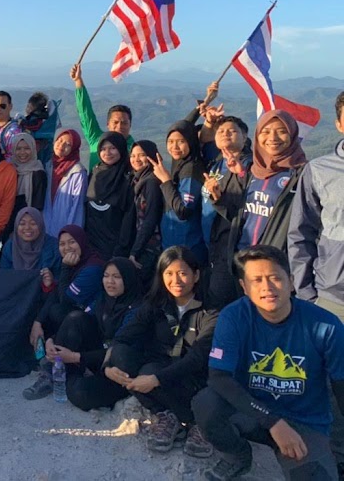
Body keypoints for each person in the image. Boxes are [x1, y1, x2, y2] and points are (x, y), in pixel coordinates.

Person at [193, 245, 344, 481]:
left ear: (291, 282)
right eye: (257, 280)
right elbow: (218, 377)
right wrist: (273, 421)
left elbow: (341, 386)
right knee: (206, 404)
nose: (267, 287)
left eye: (275, 278)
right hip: (251, 410)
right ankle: (237, 457)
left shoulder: (326, 325)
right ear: (244, 287)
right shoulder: (233, 317)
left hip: (303, 422)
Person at [105, 246, 217, 458]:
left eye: (182, 273)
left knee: (207, 392)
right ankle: (166, 416)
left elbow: (198, 358)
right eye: (169, 273)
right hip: (164, 371)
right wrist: (108, 366)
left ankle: (198, 422)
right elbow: (123, 337)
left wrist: (156, 379)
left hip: (197, 378)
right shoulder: (156, 304)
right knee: (121, 356)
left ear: (196, 275)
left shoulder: (211, 311)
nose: (176, 280)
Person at [288, 91, 344, 473]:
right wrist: (307, 293)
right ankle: (337, 457)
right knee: (331, 387)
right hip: (330, 299)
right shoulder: (320, 170)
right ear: (339, 123)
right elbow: (300, 235)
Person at [45, 257, 142, 411]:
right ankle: (59, 372)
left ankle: (66, 377)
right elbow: (82, 321)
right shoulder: (103, 298)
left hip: (120, 369)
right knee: (75, 318)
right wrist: (52, 340)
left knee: (80, 392)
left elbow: (119, 350)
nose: (110, 281)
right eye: (106, 276)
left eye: (116, 277)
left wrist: (75, 357)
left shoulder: (138, 310)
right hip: (99, 359)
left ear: (128, 279)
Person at [23, 224, 104, 400]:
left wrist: (65, 268)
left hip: (99, 332)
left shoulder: (93, 267)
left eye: (72, 242)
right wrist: (38, 322)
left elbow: (66, 300)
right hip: (80, 324)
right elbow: (57, 295)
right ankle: (49, 361)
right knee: (54, 310)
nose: (67, 248)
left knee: (71, 316)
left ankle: (51, 373)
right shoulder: (76, 264)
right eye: (62, 244)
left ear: (82, 242)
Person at [219, 110, 306, 269]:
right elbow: (236, 213)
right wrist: (220, 195)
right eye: (265, 132)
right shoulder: (252, 171)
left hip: (276, 264)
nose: (272, 138)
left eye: (281, 131)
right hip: (243, 259)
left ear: (293, 135)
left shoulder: (301, 174)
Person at [201, 115, 252, 309]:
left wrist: (240, 174)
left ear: (244, 137)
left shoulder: (251, 165)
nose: (225, 134)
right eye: (221, 131)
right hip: (212, 246)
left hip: (234, 247)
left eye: (232, 131)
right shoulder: (216, 164)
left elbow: (244, 207)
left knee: (225, 304)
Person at [150, 120, 208, 265]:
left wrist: (165, 180)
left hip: (186, 247)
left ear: (190, 142)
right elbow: (184, 126)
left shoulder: (191, 169)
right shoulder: (181, 162)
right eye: (170, 141)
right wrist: (197, 111)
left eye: (181, 141)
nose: (174, 147)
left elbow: (184, 211)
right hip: (173, 244)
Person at [69, 64, 133, 169]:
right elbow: (85, 113)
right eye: (115, 122)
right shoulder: (96, 139)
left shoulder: (135, 151)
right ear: (108, 124)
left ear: (130, 125)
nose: (119, 126)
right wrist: (78, 80)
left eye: (124, 123)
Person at [84, 132, 133, 259]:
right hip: (91, 243)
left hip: (115, 246)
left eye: (113, 148)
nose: (107, 153)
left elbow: (129, 216)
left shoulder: (127, 177)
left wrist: (121, 248)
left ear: (121, 149)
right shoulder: (95, 172)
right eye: (103, 149)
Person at [128, 140, 164, 290]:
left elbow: (150, 218)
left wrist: (135, 251)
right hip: (144, 244)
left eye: (141, 155)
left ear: (151, 156)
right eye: (133, 155)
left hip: (150, 248)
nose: (136, 159)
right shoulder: (139, 180)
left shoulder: (152, 182)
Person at [42, 129, 87, 239]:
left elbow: (77, 208)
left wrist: (71, 235)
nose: (61, 145)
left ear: (74, 149)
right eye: (60, 140)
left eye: (68, 144)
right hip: (45, 230)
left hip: (65, 232)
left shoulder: (78, 172)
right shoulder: (48, 166)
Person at [4, 133, 47, 242]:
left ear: (33, 149)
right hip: (7, 224)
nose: (22, 152)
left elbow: (38, 206)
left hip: (28, 226)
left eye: (27, 148)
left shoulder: (38, 172)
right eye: (18, 149)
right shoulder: (9, 170)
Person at [0, 207, 59, 272]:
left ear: (40, 225)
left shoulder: (53, 246)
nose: (27, 227)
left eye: (33, 223)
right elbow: (4, 274)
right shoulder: (10, 246)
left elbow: (59, 274)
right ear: (16, 226)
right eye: (22, 223)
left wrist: (51, 277)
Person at [0, 90, 23, 161]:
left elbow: (14, 160)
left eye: (2, 106)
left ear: (10, 107)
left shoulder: (13, 132)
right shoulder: (2, 129)